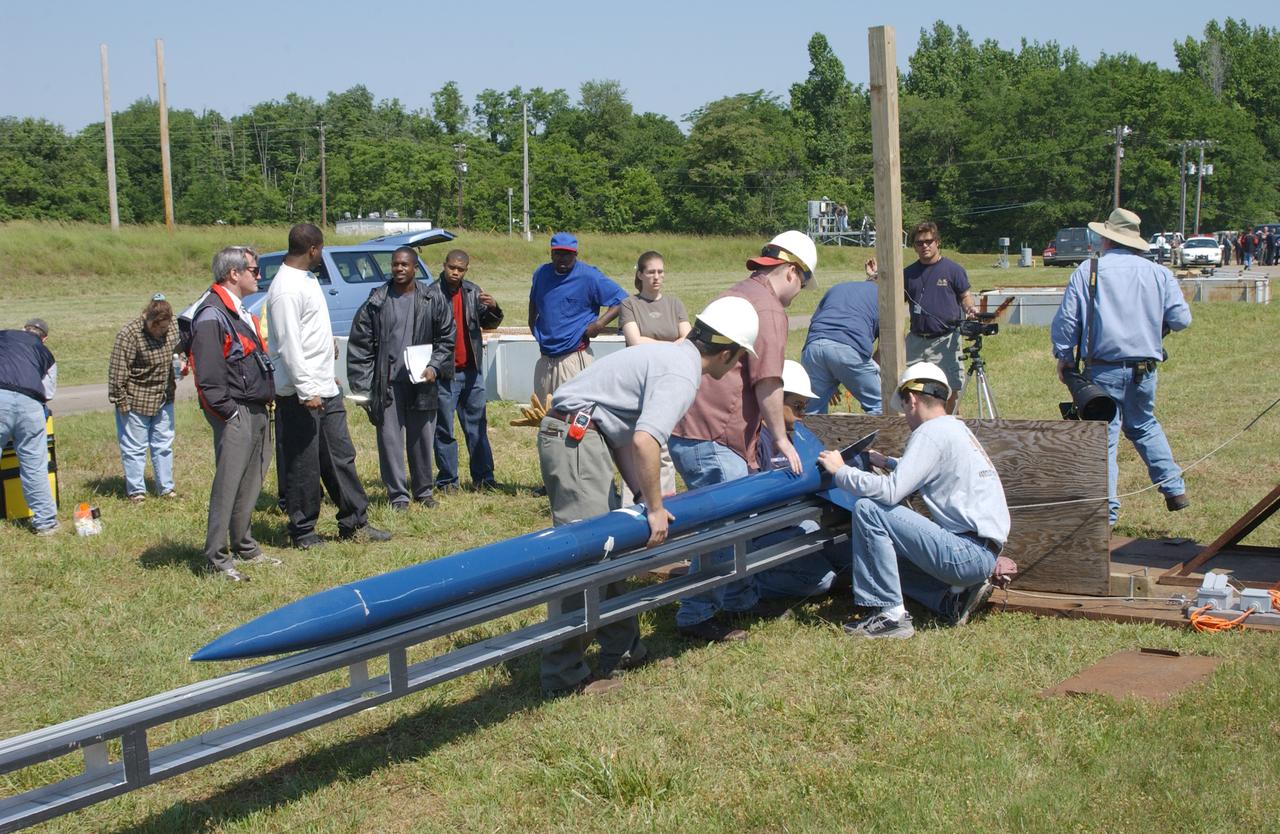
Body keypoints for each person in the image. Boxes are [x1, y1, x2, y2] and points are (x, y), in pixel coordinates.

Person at [536, 296, 760, 695]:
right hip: (576, 438)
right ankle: (563, 674)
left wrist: (641, 491)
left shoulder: (671, 357)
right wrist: (655, 509)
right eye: (740, 356)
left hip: (587, 435)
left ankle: (624, 649)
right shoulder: (682, 373)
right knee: (585, 556)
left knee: (609, 550)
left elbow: (621, 430)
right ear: (727, 353)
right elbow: (645, 441)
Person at [669, 230, 817, 643]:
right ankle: (697, 614)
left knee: (730, 524)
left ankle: (737, 599)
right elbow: (768, 381)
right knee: (723, 528)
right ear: (792, 272)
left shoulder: (736, 293)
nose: (798, 294)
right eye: (802, 284)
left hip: (690, 427)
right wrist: (781, 439)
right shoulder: (769, 309)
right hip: (715, 434)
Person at [817, 362, 1011, 639]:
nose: (906, 417)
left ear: (911, 399)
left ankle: (891, 616)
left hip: (964, 553)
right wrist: (888, 462)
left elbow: (891, 492)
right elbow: (929, 470)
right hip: (982, 555)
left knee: (869, 509)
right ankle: (949, 599)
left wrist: (841, 472)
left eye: (904, 408)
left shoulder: (929, 433)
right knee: (885, 558)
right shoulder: (954, 429)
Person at [1051, 207, 1192, 525]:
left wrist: (1064, 357)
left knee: (1105, 436)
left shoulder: (1089, 270)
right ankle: (1174, 489)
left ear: (1106, 238)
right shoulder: (1158, 273)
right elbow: (1181, 319)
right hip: (1145, 369)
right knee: (1144, 425)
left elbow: (1068, 321)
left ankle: (1107, 515)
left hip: (1102, 370)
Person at [266, 223, 390, 548]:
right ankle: (303, 531)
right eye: (321, 249)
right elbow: (289, 345)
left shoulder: (307, 279)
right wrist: (307, 389)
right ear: (313, 249)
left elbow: (310, 333)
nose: (322, 255)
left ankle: (355, 522)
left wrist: (325, 368)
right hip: (300, 395)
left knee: (340, 455)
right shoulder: (286, 288)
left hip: (323, 386)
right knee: (303, 464)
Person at [190, 247, 277, 581]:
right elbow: (208, 376)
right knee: (228, 485)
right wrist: (229, 413)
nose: (259, 276)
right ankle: (216, 557)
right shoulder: (212, 314)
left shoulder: (238, 311)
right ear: (234, 274)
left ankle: (244, 545)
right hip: (236, 410)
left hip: (256, 407)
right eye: (254, 270)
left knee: (251, 482)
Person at [347, 246, 456, 510]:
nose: (399, 269)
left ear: (415, 268)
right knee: (390, 442)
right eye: (395, 264)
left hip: (422, 383)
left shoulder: (432, 299)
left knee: (422, 439)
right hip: (387, 384)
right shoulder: (377, 301)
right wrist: (364, 388)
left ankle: (423, 491)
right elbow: (360, 346)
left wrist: (434, 366)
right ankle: (398, 495)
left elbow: (446, 339)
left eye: (404, 264)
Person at [868, 221, 976, 413]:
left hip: (945, 340)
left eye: (929, 241)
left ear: (937, 242)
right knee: (907, 385)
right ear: (914, 247)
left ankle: (950, 423)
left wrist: (970, 309)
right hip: (916, 340)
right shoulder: (908, 274)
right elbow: (891, 300)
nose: (925, 246)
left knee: (949, 389)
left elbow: (965, 296)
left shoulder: (953, 270)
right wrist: (873, 277)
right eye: (919, 243)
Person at [617, 250, 690, 502]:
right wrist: (672, 345)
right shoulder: (630, 305)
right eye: (651, 272)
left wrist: (658, 344)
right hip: (639, 383)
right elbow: (635, 341)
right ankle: (633, 504)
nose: (656, 277)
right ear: (640, 275)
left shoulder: (674, 304)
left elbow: (688, 339)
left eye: (660, 272)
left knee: (664, 447)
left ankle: (665, 501)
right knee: (638, 442)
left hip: (669, 381)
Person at [431, 249, 503, 492]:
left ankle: (484, 479)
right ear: (444, 265)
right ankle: (447, 481)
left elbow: (490, 323)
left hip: (472, 372)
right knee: (444, 430)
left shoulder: (473, 292)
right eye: (451, 267)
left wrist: (494, 308)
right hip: (444, 374)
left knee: (477, 428)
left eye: (460, 269)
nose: (455, 272)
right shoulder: (430, 294)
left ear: (466, 270)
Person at [527, 232, 627, 403]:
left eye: (567, 254)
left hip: (573, 357)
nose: (562, 258)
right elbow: (534, 299)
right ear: (551, 253)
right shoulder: (541, 274)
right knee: (544, 414)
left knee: (574, 414)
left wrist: (599, 324)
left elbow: (622, 299)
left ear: (576, 254)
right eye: (558, 253)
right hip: (545, 358)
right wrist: (532, 323)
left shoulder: (589, 276)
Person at [108, 295, 182, 503]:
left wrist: (182, 362)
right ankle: (136, 492)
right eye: (157, 328)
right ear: (149, 320)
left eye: (165, 328)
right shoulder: (129, 334)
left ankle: (166, 489)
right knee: (134, 448)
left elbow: (179, 349)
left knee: (163, 445)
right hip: (136, 400)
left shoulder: (173, 326)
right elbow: (117, 372)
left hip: (164, 397)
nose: (161, 332)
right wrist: (121, 402)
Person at [0, 318, 58, 535]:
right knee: (34, 466)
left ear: (23, 328)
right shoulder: (45, 353)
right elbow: (48, 393)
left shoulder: (4, 336)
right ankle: (46, 523)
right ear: (44, 338)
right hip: (31, 405)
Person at [800, 265, 882, 415]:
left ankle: (807, 431)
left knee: (812, 412)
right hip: (847, 348)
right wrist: (868, 375)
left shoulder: (838, 287)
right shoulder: (884, 296)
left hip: (813, 348)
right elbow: (885, 349)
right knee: (881, 407)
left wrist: (829, 379)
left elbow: (815, 323)